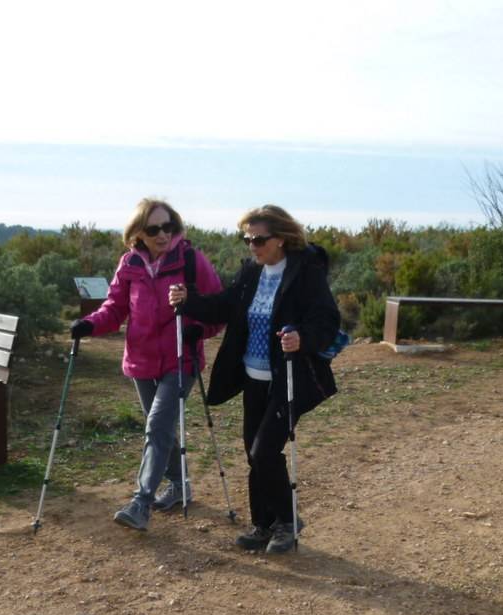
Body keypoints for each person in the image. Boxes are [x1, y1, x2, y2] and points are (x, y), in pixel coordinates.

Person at [168, 205, 340, 554]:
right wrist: (190, 302)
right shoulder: (252, 271)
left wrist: (302, 339)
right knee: (253, 453)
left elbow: (327, 320)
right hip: (253, 377)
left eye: (258, 239)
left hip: (289, 378)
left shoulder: (306, 271)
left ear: (280, 238)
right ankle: (263, 525)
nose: (252, 245)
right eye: (247, 238)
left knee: (264, 451)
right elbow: (225, 305)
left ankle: (289, 522)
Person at [69, 198, 222, 531]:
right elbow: (114, 308)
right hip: (140, 362)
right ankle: (181, 486)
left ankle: (141, 504)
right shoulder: (130, 264)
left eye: (168, 226)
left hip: (181, 360)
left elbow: (217, 308)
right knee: (162, 429)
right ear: (139, 232)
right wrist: (89, 324)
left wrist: (201, 329)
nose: (163, 234)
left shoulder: (192, 261)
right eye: (154, 229)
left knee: (156, 426)